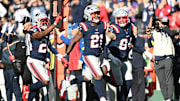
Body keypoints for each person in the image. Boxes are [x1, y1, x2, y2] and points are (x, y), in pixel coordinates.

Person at [60, 4, 110, 101]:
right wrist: (66, 55)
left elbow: (103, 41)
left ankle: (68, 83)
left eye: (97, 13)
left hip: (97, 55)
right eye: (93, 14)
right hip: (88, 55)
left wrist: (104, 55)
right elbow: (74, 41)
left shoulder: (102, 25)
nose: (96, 15)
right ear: (87, 15)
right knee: (98, 75)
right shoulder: (84, 27)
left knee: (87, 78)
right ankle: (102, 98)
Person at [23, 10, 63, 101]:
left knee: (37, 85)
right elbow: (39, 35)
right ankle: (27, 88)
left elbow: (50, 46)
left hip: (41, 61)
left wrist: (60, 57)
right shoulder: (34, 29)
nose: (44, 23)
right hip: (33, 60)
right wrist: (54, 24)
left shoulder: (46, 32)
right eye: (42, 21)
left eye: (45, 20)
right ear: (37, 21)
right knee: (45, 80)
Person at [102, 8, 136, 101]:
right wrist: (106, 58)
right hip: (114, 58)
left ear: (127, 18)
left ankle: (123, 98)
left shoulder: (130, 27)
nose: (121, 20)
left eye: (123, 18)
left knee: (129, 78)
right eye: (119, 18)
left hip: (124, 57)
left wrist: (131, 46)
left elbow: (132, 38)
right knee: (118, 82)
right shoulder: (114, 29)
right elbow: (104, 43)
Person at [146, 20, 175, 101]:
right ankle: (165, 98)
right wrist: (148, 35)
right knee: (161, 81)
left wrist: (162, 26)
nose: (157, 26)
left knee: (169, 78)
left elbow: (172, 33)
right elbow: (150, 45)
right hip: (158, 60)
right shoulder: (154, 33)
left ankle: (170, 98)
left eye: (158, 24)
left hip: (167, 58)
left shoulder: (167, 32)